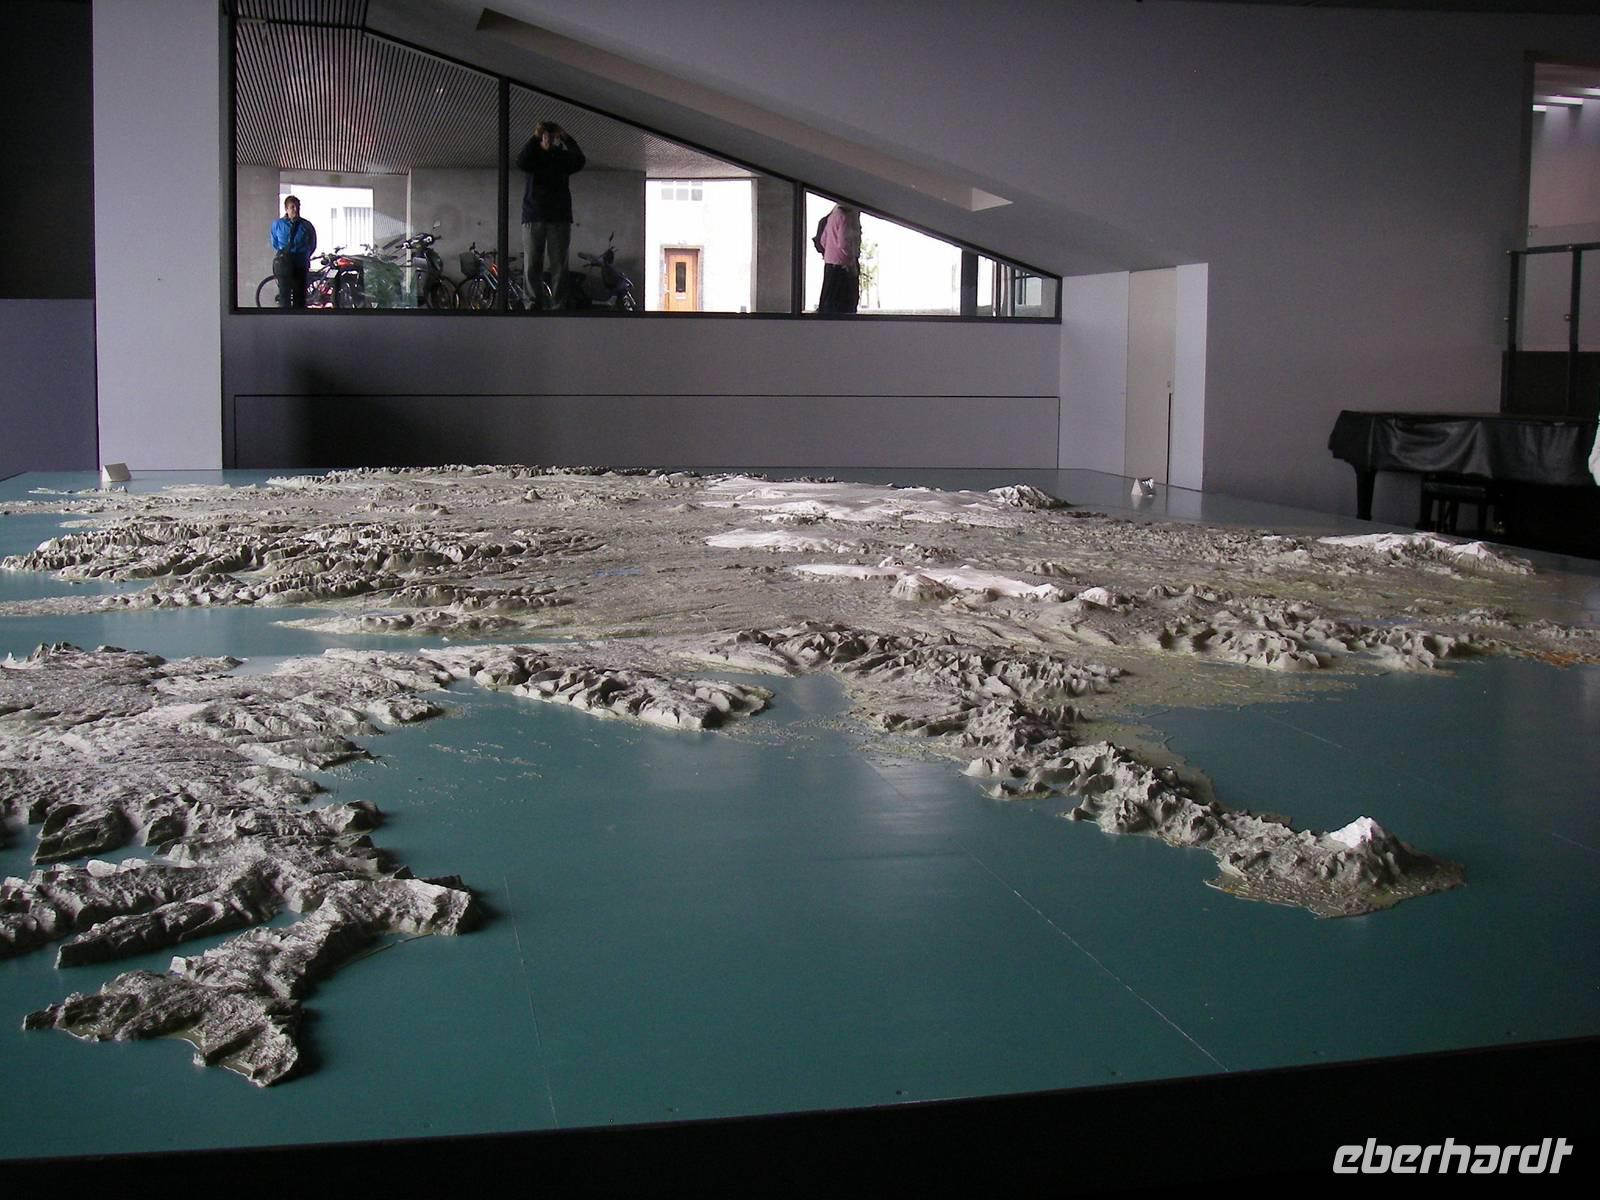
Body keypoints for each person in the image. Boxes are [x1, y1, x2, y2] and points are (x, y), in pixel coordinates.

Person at [515, 121, 586, 309]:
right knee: (532, 263)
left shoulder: (561, 157)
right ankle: (532, 302)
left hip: (558, 217)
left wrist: (566, 138)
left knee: (559, 264)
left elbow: (580, 160)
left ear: (555, 138)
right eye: (545, 135)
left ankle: (559, 303)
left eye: (551, 135)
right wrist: (535, 139)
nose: (548, 138)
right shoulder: (533, 157)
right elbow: (521, 161)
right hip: (534, 216)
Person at [270, 195, 317, 309]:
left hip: (300, 263)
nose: (296, 209)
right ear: (286, 209)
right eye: (292, 207)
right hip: (284, 263)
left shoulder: (306, 225)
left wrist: (304, 255)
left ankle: (299, 317)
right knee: (284, 295)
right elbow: (275, 242)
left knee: (300, 296)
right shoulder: (277, 224)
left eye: (297, 207)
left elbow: (312, 244)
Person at [816, 204, 860, 314]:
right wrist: (851, 259)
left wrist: (830, 252)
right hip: (842, 264)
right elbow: (843, 243)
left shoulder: (831, 217)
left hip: (829, 263)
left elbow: (823, 240)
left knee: (829, 299)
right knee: (844, 302)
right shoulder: (844, 218)